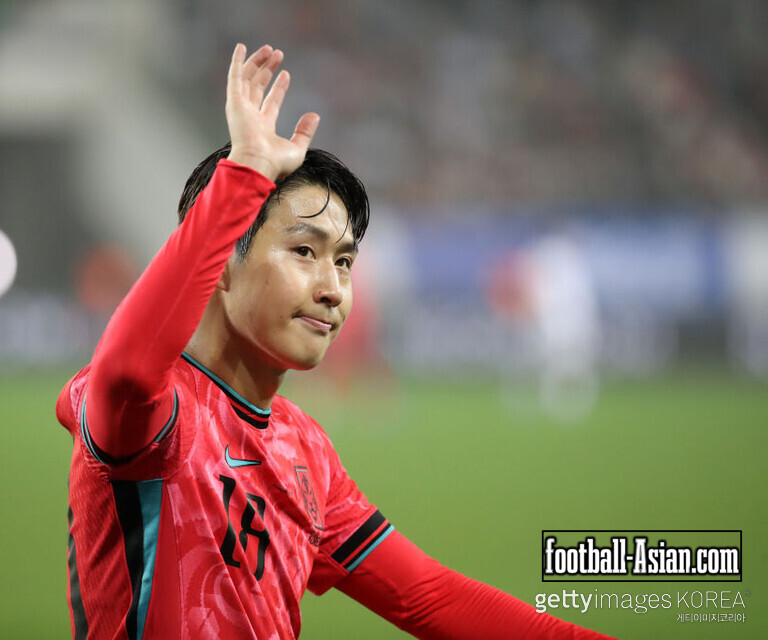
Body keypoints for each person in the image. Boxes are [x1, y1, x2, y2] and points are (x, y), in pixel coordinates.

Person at [56, 43, 614, 639]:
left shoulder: (305, 449)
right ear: (221, 262)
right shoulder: (155, 418)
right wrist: (243, 173)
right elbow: (126, 372)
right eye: (304, 251)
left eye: (344, 262)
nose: (333, 289)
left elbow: (427, 596)